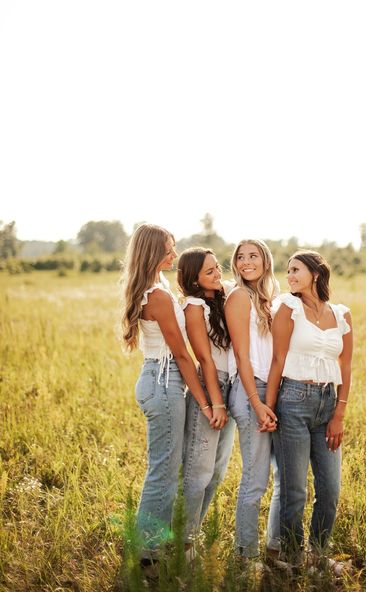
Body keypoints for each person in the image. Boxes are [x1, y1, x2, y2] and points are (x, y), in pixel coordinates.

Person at [121, 224, 213, 567]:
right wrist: (204, 400)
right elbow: (181, 354)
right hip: (164, 381)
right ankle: (146, 554)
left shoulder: (155, 287)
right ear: (153, 253)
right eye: (169, 250)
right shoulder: (156, 296)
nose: (174, 255)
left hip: (158, 379)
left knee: (163, 467)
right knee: (163, 470)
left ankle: (153, 548)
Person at [265, 250, 353, 569]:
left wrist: (339, 414)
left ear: (315, 273)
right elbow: (277, 359)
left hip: (328, 403)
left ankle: (317, 555)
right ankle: (291, 557)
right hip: (292, 399)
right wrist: (269, 406)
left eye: (295, 270)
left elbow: (346, 364)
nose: (289, 276)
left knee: (329, 489)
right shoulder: (288, 307)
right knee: (295, 489)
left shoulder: (341, 314)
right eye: (287, 271)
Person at [224, 239, 280, 562]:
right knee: (255, 479)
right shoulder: (239, 297)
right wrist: (257, 403)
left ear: (265, 261)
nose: (246, 262)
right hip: (249, 393)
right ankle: (245, 556)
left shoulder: (267, 298)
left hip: (268, 391)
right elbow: (243, 358)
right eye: (241, 257)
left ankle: (274, 549)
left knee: (273, 478)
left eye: (253, 255)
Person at [177, 247, 236, 555]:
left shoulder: (221, 300)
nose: (218, 274)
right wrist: (216, 402)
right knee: (197, 471)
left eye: (218, 268)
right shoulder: (194, 305)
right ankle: (183, 545)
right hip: (211, 387)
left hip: (230, 386)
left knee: (216, 472)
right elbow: (204, 358)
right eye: (210, 272)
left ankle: (191, 536)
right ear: (194, 279)